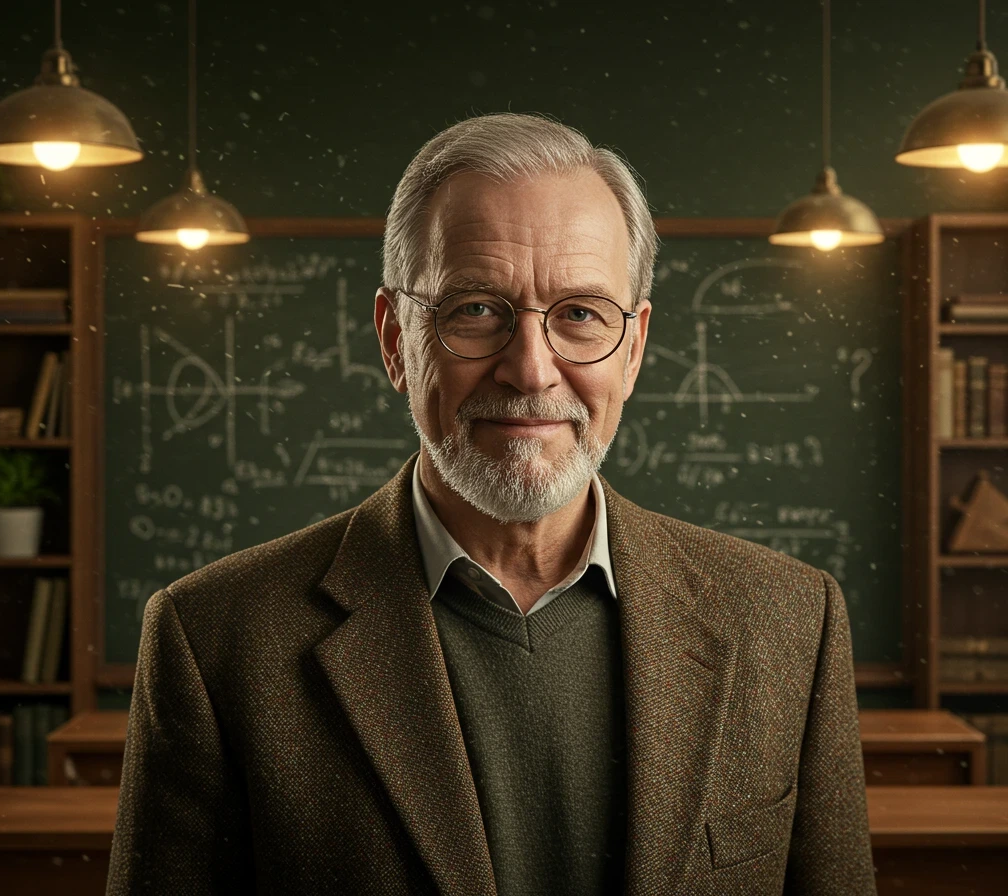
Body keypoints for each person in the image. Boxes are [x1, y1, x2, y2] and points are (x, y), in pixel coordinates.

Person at [106, 112, 877, 896]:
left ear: (635, 348)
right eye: (475, 309)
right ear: (395, 339)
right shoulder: (217, 639)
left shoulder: (788, 621)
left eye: (581, 314)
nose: (531, 370)